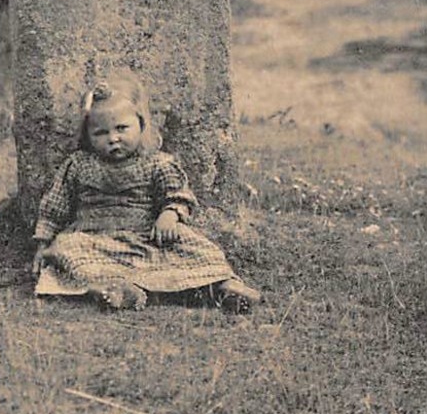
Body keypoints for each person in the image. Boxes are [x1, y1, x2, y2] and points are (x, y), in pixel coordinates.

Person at [32, 69, 260, 311]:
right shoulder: (78, 164)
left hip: (147, 237)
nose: (113, 138)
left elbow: (178, 195)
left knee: (199, 247)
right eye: (101, 132)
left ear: (141, 125)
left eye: (122, 128)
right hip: (93, 238)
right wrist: (43, 243)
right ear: (88, 135)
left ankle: (222, 286)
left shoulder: (157, 163)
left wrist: (169, 215)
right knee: (67, 248)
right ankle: (118, 290)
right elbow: (54, 206)